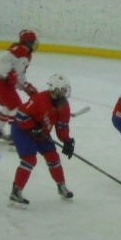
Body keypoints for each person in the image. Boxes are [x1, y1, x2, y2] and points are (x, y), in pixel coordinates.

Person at [8, 74, 76, 209]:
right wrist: (32, 128)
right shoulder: (39, 99)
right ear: (55, 90)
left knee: (53, 156)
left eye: (65, 90)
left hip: (41, 133)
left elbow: (62, 126)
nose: (65, 93)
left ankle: (61, 186)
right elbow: (21, 116)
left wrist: (66, 141)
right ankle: (16, 192)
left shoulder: (64, 106)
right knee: (29, 159)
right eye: (62, 89)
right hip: (22, 129)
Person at [0, 30, 39, 142]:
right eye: (33, 42)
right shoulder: (19, 50)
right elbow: (2, 58)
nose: (35, 44)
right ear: (28, 42)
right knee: (17, 108)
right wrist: (8, 72)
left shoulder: (27, 55)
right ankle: (15, 136)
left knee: (8, 107)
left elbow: (19, 75)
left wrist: (26, 86)